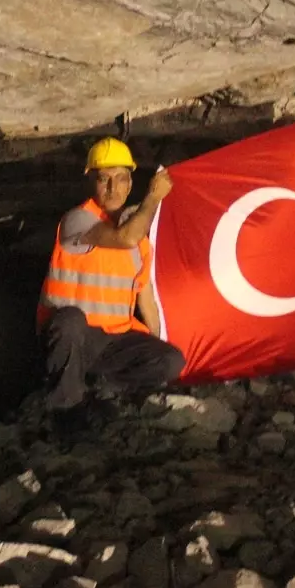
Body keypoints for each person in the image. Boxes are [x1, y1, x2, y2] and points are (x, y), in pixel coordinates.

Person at [37, 137, 186, 414]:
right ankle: (66, 410)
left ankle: (104, 390)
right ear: (90, 181)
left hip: (114, 342)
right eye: (104, 178)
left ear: (130, 184)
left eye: (120, 179)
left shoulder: (141, 242)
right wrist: (153, 197)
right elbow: (125, 238)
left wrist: (154, 348)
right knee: (70, 320)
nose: (112, 188)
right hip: (72, 339)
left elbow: (147, 302)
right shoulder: (77, 220)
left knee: (171, 360)